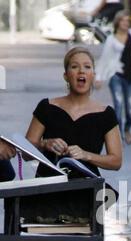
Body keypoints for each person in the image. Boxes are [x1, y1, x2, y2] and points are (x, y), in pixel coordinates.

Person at [25, 46, 122, 179]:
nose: (81, 71)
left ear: (93, 75)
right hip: (47, 187)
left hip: (86, 188)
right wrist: (45, 144)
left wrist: (86, 155)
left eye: (87, 67)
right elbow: (25, 153)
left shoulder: (106, 114)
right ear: (66, 76)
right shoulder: (46, 107)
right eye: (75, 66)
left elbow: (116, 161)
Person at [95, 10, 131, 145]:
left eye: (127, 20)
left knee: (130, 106)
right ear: (118, 22)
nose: (125, 23)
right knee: (118, 105)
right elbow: (105, 58)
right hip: (116, 75)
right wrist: (99, 76)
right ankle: (118, 134)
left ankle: (127, 129)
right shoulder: (111, 39)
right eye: (122, 20)